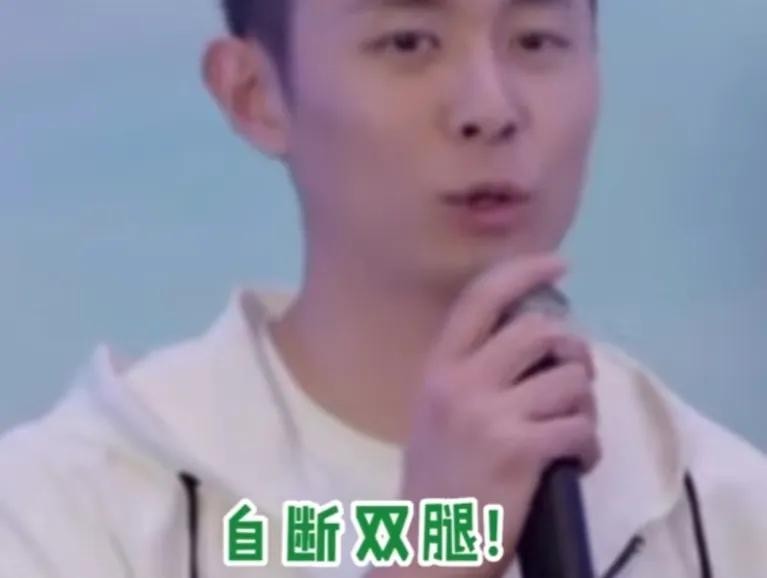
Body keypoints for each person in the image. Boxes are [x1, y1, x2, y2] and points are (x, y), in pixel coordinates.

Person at [1, 0, 766, 576]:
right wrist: (435, 548)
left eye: (535, 40)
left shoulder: (728, 509)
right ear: (254, 93)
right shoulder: (69, 511)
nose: (490, 109)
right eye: (408, 42)